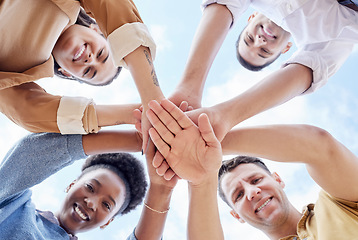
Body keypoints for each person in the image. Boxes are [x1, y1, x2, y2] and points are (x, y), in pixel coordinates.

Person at [145, 99, 358, 239]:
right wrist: (201, 179)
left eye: (256, 180)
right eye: (238, 195)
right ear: (236, 215)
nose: (252, 192)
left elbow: (319, 146)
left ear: (278, 179)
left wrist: (212, 144)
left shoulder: (337, 205)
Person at [168, 0, 358, 142]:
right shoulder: (327, 37)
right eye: (264, 52)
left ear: (249, 18)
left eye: (249, 38)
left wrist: (189, 87)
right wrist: (223, 117)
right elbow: (308, 70)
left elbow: (225, 3)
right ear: (285, 50)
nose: (259, 42)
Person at [0, 0, 164, 145]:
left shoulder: (15, 75)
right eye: (101, 54)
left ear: (66, 73)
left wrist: (135, 115)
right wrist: (153, 99)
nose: (90, 60)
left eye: (88, 71)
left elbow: (27, 111)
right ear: (97, 29)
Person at [0, 129, 147, 239]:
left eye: (107, 205)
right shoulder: (15, 205)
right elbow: (28, 153)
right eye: (90, 187)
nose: (91, 203)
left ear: (107, 222)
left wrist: (162, 189)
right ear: (72, 184)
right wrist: (136, 140)